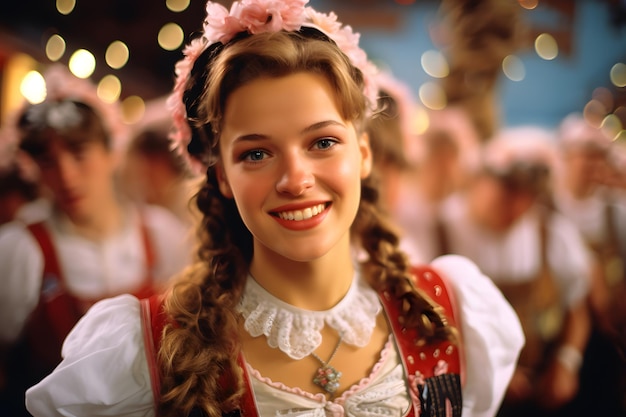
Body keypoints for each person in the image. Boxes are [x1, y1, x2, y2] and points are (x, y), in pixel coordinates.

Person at [25, 1, 524, 416]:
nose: (295, 180)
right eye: (256, 153)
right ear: (220, 175)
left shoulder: (450, 312)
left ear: (364, 153)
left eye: (323, 142)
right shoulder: (143, 350)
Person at [0, 65, 193, 416]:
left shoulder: (160, 234)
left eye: (78, 154)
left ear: (111, 151)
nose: (66, 175)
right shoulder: (20, 250)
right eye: (48, 161)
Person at [438, 127, 592, 417]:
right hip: (464, 396)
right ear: (479, 180)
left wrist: (566, 362)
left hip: (539, 391)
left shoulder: (552, 234)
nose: (518, 206)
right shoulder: (440, 229)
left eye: (528, 196)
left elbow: (576, 307)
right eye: (508, 190)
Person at [553, 113, 626, 416]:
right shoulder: (546, 205)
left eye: (600, 157)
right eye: (586, 156)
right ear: (566, 158)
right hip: (556, 325)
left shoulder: (616, 210)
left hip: (603, 328)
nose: (594, 166)